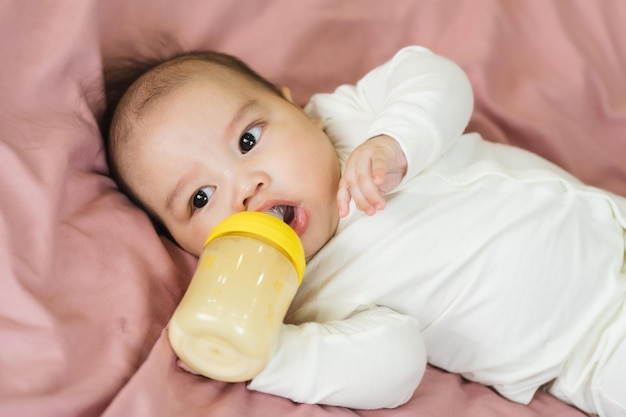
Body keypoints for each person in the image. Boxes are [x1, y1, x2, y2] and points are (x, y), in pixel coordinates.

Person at [103, 45, 626, 417]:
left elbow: (435, 75)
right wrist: (260, 351)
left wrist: (396, 140)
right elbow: (394, 366)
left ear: (295, 107)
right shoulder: (302, 297)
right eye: (199, 198)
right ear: (183, 244)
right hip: (596, 348)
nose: (245, 185)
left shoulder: (346, 119)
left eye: (247, 140)